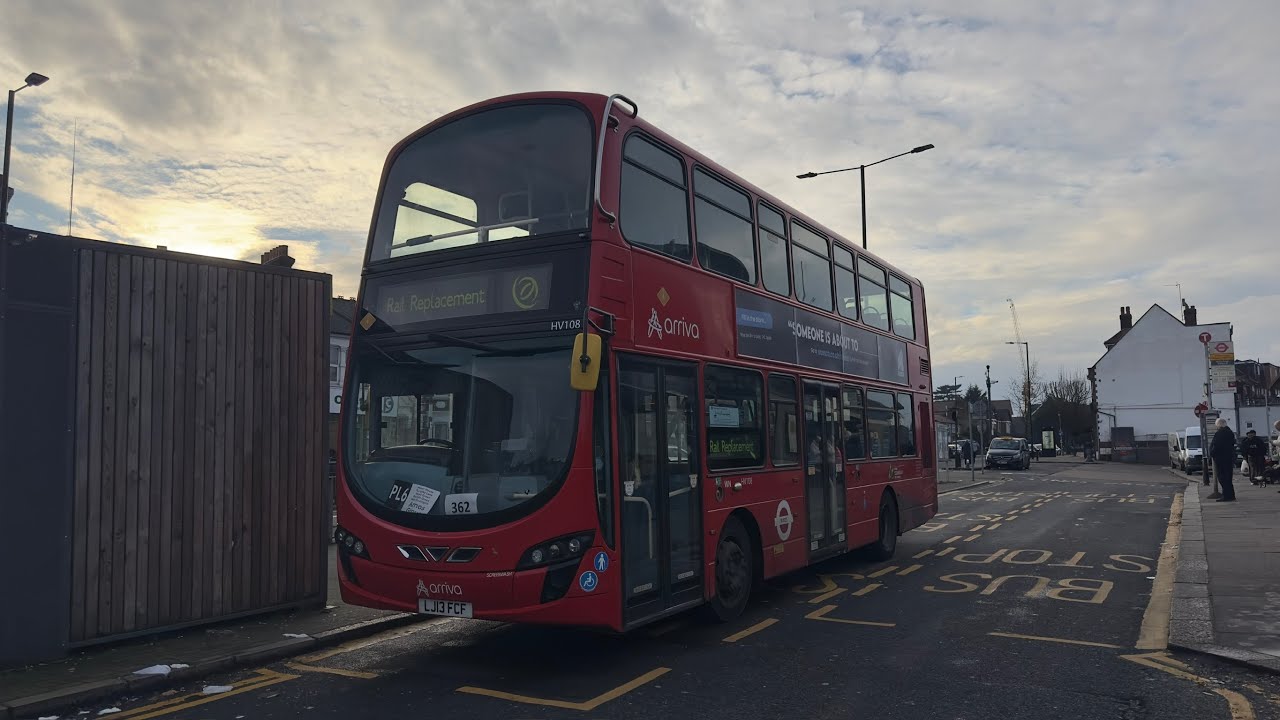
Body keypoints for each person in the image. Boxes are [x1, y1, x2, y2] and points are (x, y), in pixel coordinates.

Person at [1209, 417, 1237, 502]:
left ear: (1219, 425)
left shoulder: (1220, 433)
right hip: (1229, 457)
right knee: (1228, 477)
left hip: (1221, 458)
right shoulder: (1230, 432)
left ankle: (1226, 495)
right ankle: (1231, 495)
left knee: (1222, 477)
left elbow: (1216, 446)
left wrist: (1212, 453)